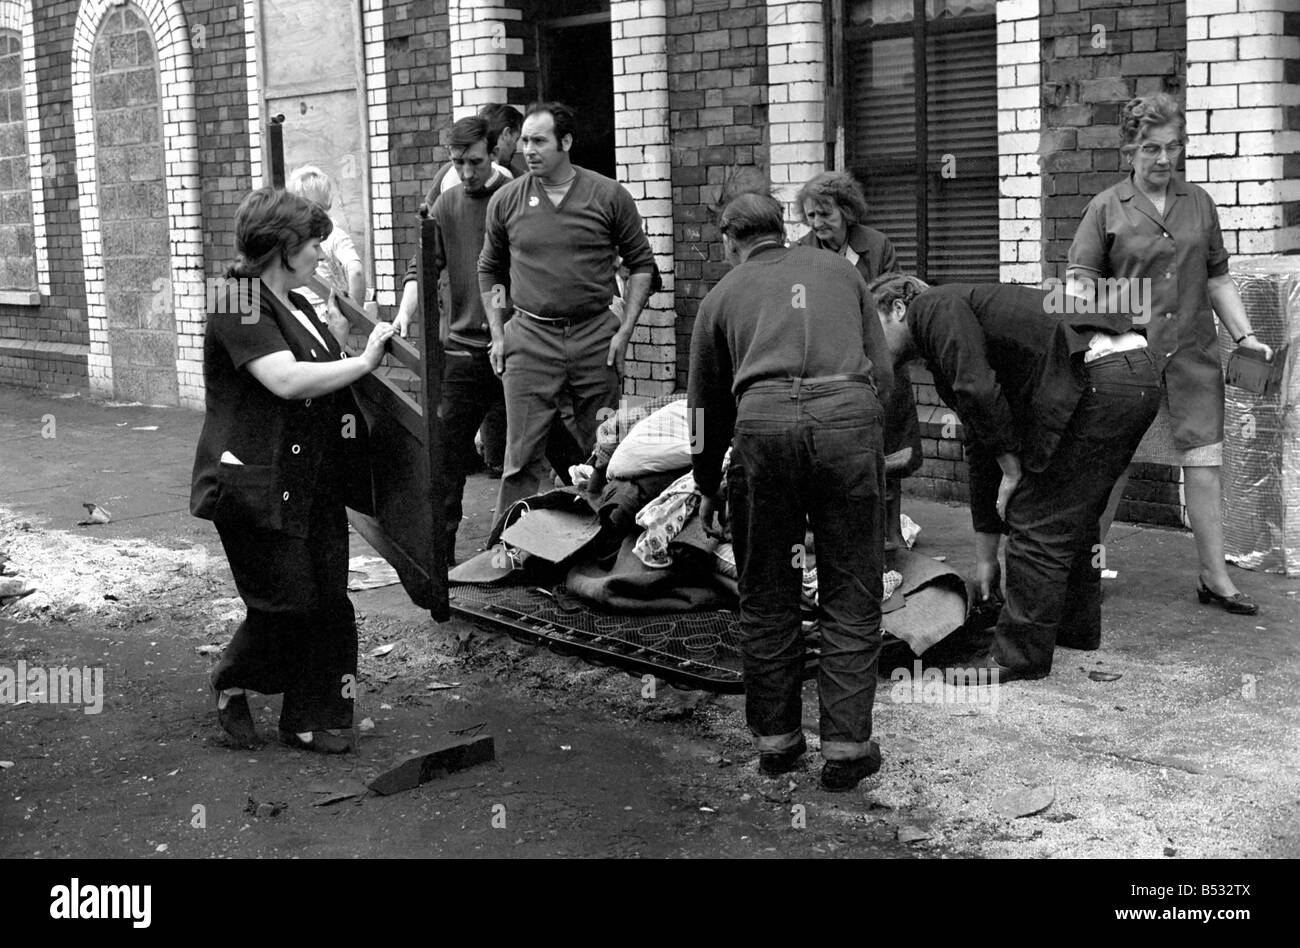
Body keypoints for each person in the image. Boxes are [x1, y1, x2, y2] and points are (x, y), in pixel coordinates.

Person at [690, 193, 893, 792]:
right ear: (784, 228)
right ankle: (846, 749)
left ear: (731, 241)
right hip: (849, 424)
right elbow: (881, 371)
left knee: (768, 589)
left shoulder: (722, 297)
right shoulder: (840, 271)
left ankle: (778, 744)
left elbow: (704, 411)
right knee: (852, 585)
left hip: (764, 432)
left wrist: (706, 484)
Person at [871, 276, 1161, 681]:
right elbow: (980, 442)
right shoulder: (955, 332)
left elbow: (976, 388)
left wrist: (1012, 471)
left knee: (1035, 515)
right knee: (1068, 512)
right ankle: (1073, 628)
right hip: (1133, 373)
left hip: (1101, 375)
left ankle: (1018, 656)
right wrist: (985, 557)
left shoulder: (932, 306)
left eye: (871, 327)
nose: (868, 348)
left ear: (898, 307)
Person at [190, 188, 396, 753]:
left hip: (311, 480)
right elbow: (284, 379)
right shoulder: (236, 298)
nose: (319, 256)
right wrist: (362, 360)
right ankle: (233, 676)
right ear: (282, 247)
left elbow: (321, 374)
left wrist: (354, 337)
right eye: (311, 245)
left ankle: (312, 717)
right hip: (251, 482)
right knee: (286, 604)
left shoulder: (301, 303)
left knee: (330, 600)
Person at [1070, 93, 1272, 616]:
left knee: (1204, 464)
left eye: (1174, 147)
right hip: (1126, 360)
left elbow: (1218, 277)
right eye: (1151, 149)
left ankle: (1215, 576)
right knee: (1111, 469)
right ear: (1130, 149)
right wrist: (1121, 320)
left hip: (1192, 357)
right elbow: (1078, 286)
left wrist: (1245, 336)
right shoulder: (1106, 207)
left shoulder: (1199, 202)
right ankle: (1083, 571)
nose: (1164, 160)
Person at [478, 101, 657, 526]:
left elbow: (642, 265)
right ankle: (506, 553)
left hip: (596, 337)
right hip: (530, 337)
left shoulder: (609, 195)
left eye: (539, 141)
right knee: (520, 457)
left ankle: (601, 545)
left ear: (566, 142)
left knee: (606, 448)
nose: (527, 150)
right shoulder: (506, 200)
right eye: (523, 141)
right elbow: (490, 268)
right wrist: (500, 334)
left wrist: (625, 331)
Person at [796, 170, 918, 565]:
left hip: (877, 354)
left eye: (825, 214)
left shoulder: (877, 245)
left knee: (892, 436)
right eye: (811, 216)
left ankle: (892, 528)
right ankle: (845, 532)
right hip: (829, 364)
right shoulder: (801, 251)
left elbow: (889, 295)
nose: (818, 224)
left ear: (847, 211)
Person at [286, 165, 366, 347]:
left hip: (297, 316)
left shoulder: (292, 237)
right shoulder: (336, 235)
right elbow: (356, 271)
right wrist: (355, 313)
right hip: (326, 316)